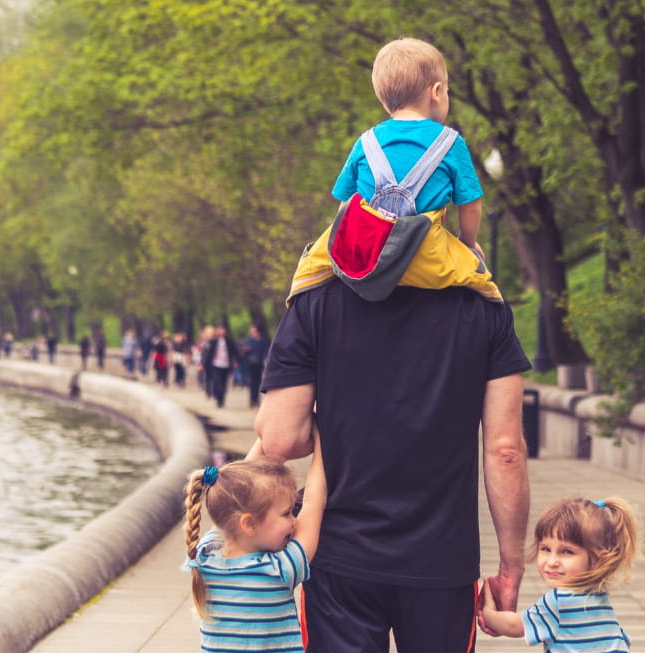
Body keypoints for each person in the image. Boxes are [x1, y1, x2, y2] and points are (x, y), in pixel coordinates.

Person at [255, 281, 531, 653]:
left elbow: (280, 439)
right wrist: (510, 567)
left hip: (340, 558)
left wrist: (338, 422)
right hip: (442, 561)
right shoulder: (482, 306)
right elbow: (505, 451)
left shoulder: (315, 299)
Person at [286, 37, 501, 306]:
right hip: (428, 256)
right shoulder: (451, 143)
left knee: (308, 272)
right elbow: (471, 205)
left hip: (370, 254)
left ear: (384, 100)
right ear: (436, 92)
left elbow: (345, 207)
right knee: (487, 291)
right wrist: (468, 244)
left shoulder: (366, 143)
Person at [182, 439, 327, 653]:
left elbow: (236, 496)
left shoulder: (205, 558)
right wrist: (323, 440)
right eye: (287, 513)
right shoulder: (277, 571)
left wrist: (269, 436)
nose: (294, 521)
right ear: (248, 524)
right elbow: (314, 502)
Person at [479, 497, 642, 653]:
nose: (552, 561)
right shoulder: (599, 597)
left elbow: (514, 626)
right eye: (546, 549)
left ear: (597, 558)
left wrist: (488, 613)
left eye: (566, 552)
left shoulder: (559, 602)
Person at [204, 324, 240, 409]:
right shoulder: (214, 342)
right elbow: (209, 354)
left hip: (226, 365)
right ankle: (217, 396)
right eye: (220, 330)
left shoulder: (229, 341)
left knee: (224, 384)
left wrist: (236, 361)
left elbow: (235, 352)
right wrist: (204, 364)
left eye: (223, 330)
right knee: (217, 382)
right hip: (216, 365)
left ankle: (221, 400)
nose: (221, 332)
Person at [240, 325, 270, 408]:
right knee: (252, 383)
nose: (253, 333)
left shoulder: (264, 341)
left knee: (258, 383)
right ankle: (252, 400)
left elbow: (266, 352)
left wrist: (265, 362)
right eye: (251, 331)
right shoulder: (249, 341)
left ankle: (256, 400)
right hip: (250, 365)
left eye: (254, 331)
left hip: (259, 364)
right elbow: (244, 355)